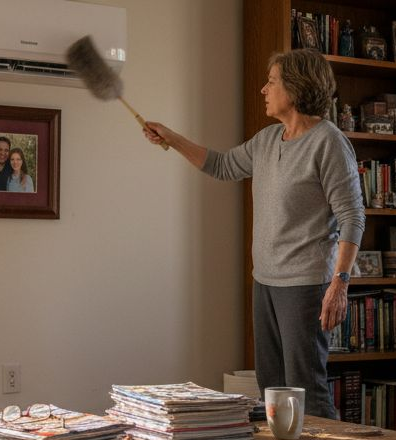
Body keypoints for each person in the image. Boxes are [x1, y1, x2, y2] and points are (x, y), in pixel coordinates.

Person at [141, 49, 364, 420]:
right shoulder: (266, 140)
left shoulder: (328, 142)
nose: (263, 89)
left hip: (306, 285)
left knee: (306, 389)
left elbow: (353, 216)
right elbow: (222, 165)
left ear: (295, 87)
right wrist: (171, 138)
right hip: (265, 282)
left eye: (272, 81)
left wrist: (339, 283)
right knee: (272, 388)